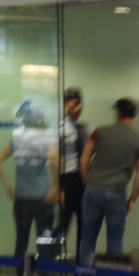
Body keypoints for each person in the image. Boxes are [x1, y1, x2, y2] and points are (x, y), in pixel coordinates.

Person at [76, 98, 139, 276]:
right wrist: (132, 199)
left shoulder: (99, 131)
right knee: (115, 241)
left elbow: (84, 160)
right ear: (133, 115)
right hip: (117, 194)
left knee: (87, 239)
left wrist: (87, 181)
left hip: (93, 190)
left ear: (118, 113)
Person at [0, 108, 58, 276]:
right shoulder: (46, 141)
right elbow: (55, 161)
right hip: (43, 198)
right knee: (44, 243)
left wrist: (7, 185)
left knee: (21, 242)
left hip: (22, 199)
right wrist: (55, 186)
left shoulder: (17, 141)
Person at [55, 88, 88, 247]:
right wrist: (59, 188)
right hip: (66, 179)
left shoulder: (81, 128)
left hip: (80, 180)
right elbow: (55, 159)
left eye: (80, 103)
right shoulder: (59, 128)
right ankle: (48, 257)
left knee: (83, 224)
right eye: (75, 103)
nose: (79, 108)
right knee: (63, 225)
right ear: (65, 104)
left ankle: (80, 262)